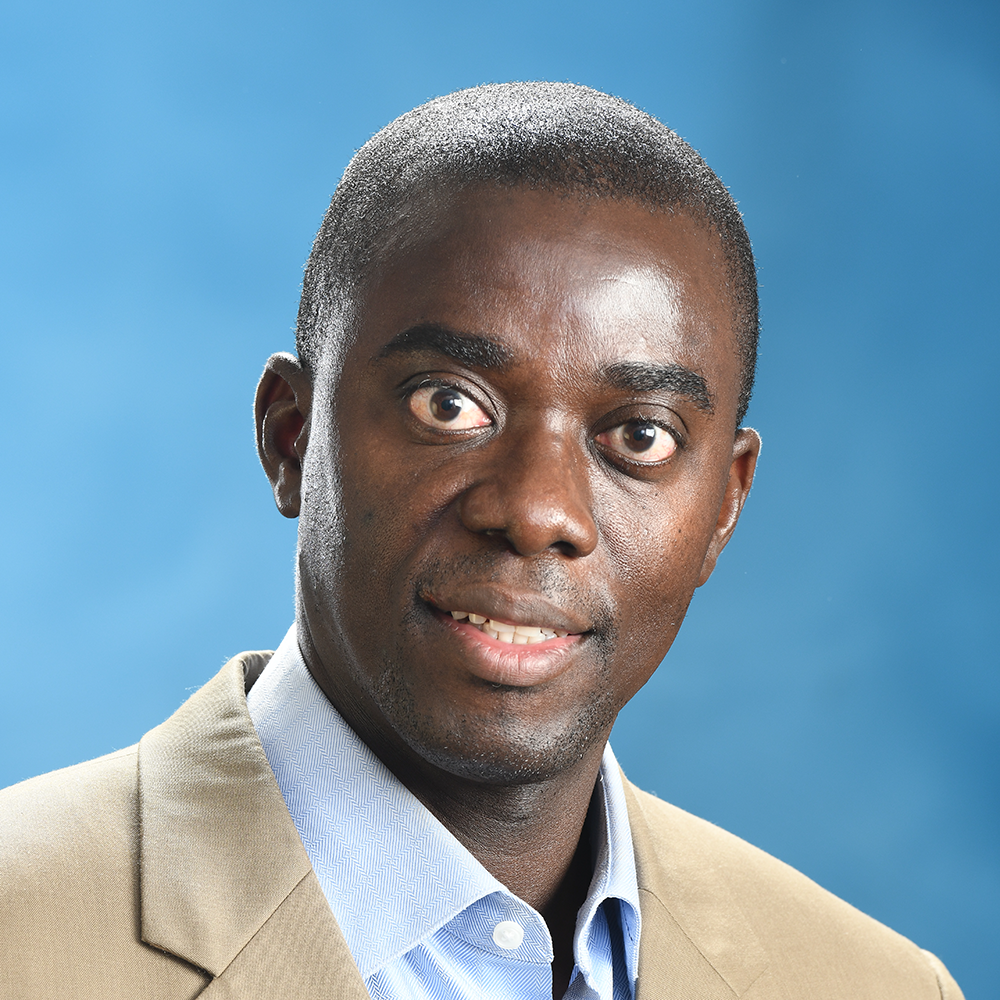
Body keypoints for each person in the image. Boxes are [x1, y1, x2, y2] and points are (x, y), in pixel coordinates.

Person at [0, 82, 963, 1000]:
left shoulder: (877, 986)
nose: (538, 511)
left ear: (724, 507)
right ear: (292, 438)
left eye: (640, 436)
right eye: (448, 404)